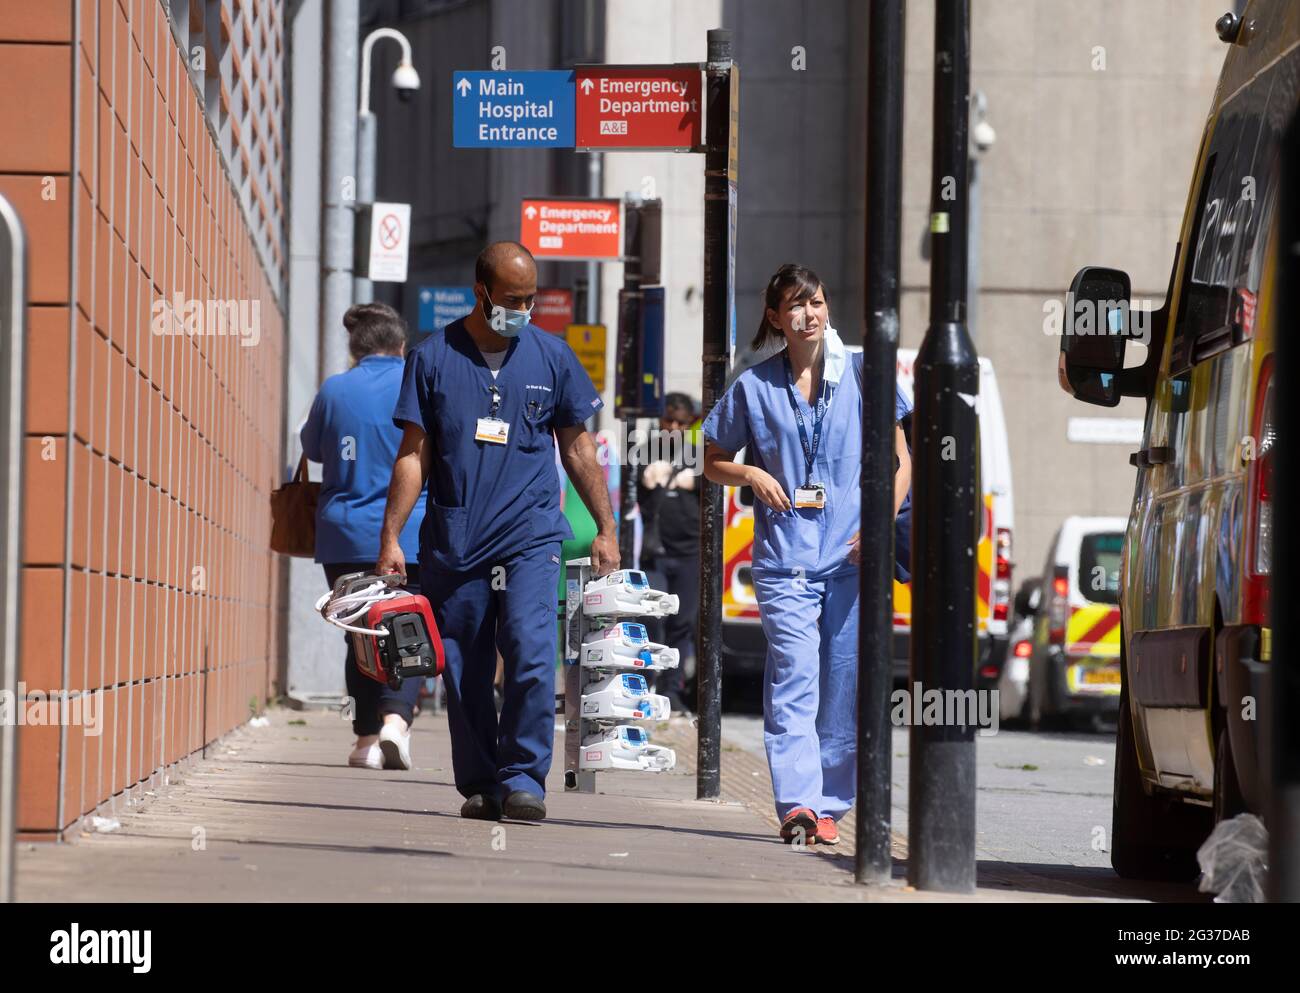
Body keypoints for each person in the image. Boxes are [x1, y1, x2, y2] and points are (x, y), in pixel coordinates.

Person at [377, 241, 619, 823]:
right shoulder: (433, 358)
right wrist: (391, 537)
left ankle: (523, 777)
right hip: (456, 539)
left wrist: (606, 528)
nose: (525, 309)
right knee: (463, 668)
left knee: (532, 652)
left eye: (532, 299)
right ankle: (482, 782)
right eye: (514, 299)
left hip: (531, 533)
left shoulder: (552, 357)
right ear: (480, 292)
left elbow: (579, 447)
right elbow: (414, 455)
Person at [701, 264, 911, 847]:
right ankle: (797, 802)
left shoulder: (865, 373)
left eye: (816, 302)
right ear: (776, 318)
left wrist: (881, 524)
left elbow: (902, 460)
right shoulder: (754, 386)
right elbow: (711, 459)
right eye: (795, 306)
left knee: (843, 685)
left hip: (852, 559)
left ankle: (831, 807)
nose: (809, 314)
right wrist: (748, 473)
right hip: (785, 561)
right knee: (796, 673)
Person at [300, 302, 426, 771]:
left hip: (346, 532)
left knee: (360, 633)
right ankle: (397, 719)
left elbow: (312, 448)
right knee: (406, 625)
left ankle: (365, 740)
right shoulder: (416, 384)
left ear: (355, 348)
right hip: (411, 531)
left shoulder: (335, 389)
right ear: (400, 345)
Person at [637, 393, 701, 713]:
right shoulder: (645, 449)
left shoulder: (700, 453)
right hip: (656, 552)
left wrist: (692, 479)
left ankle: (671, 691)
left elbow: (709, 486)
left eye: (681, 422)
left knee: (682, 625)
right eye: (669, 420)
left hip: (690, 553)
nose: (674, 427)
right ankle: (644, 683)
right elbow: (643, 480)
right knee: (652, 620)